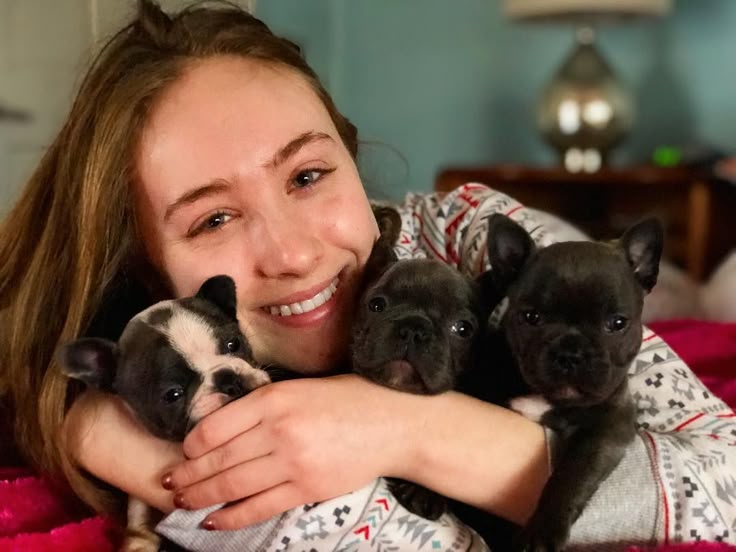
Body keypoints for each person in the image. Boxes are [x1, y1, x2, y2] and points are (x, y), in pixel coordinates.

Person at [0, 1, 733, 550]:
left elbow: (724, 485)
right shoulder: (153, 366)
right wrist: (117, 442)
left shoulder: (470, 236)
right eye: (213, 219)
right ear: (146, 266)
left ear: (352, 160)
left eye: (308, 175)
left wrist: (406, 431)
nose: (292, 254)